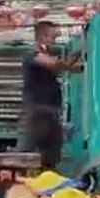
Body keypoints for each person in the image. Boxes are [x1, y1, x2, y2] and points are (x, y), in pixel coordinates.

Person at [19, 20, 81, 171]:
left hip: (51, 112)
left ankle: (48, 177)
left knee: (52, 152)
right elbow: (54, 64)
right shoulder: (32, 55)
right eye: (53, 36)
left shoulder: (47, 55)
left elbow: (64, 67)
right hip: (38, 112)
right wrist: (72, 59)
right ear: (43, 36)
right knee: (26, 151)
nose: (55, 39)